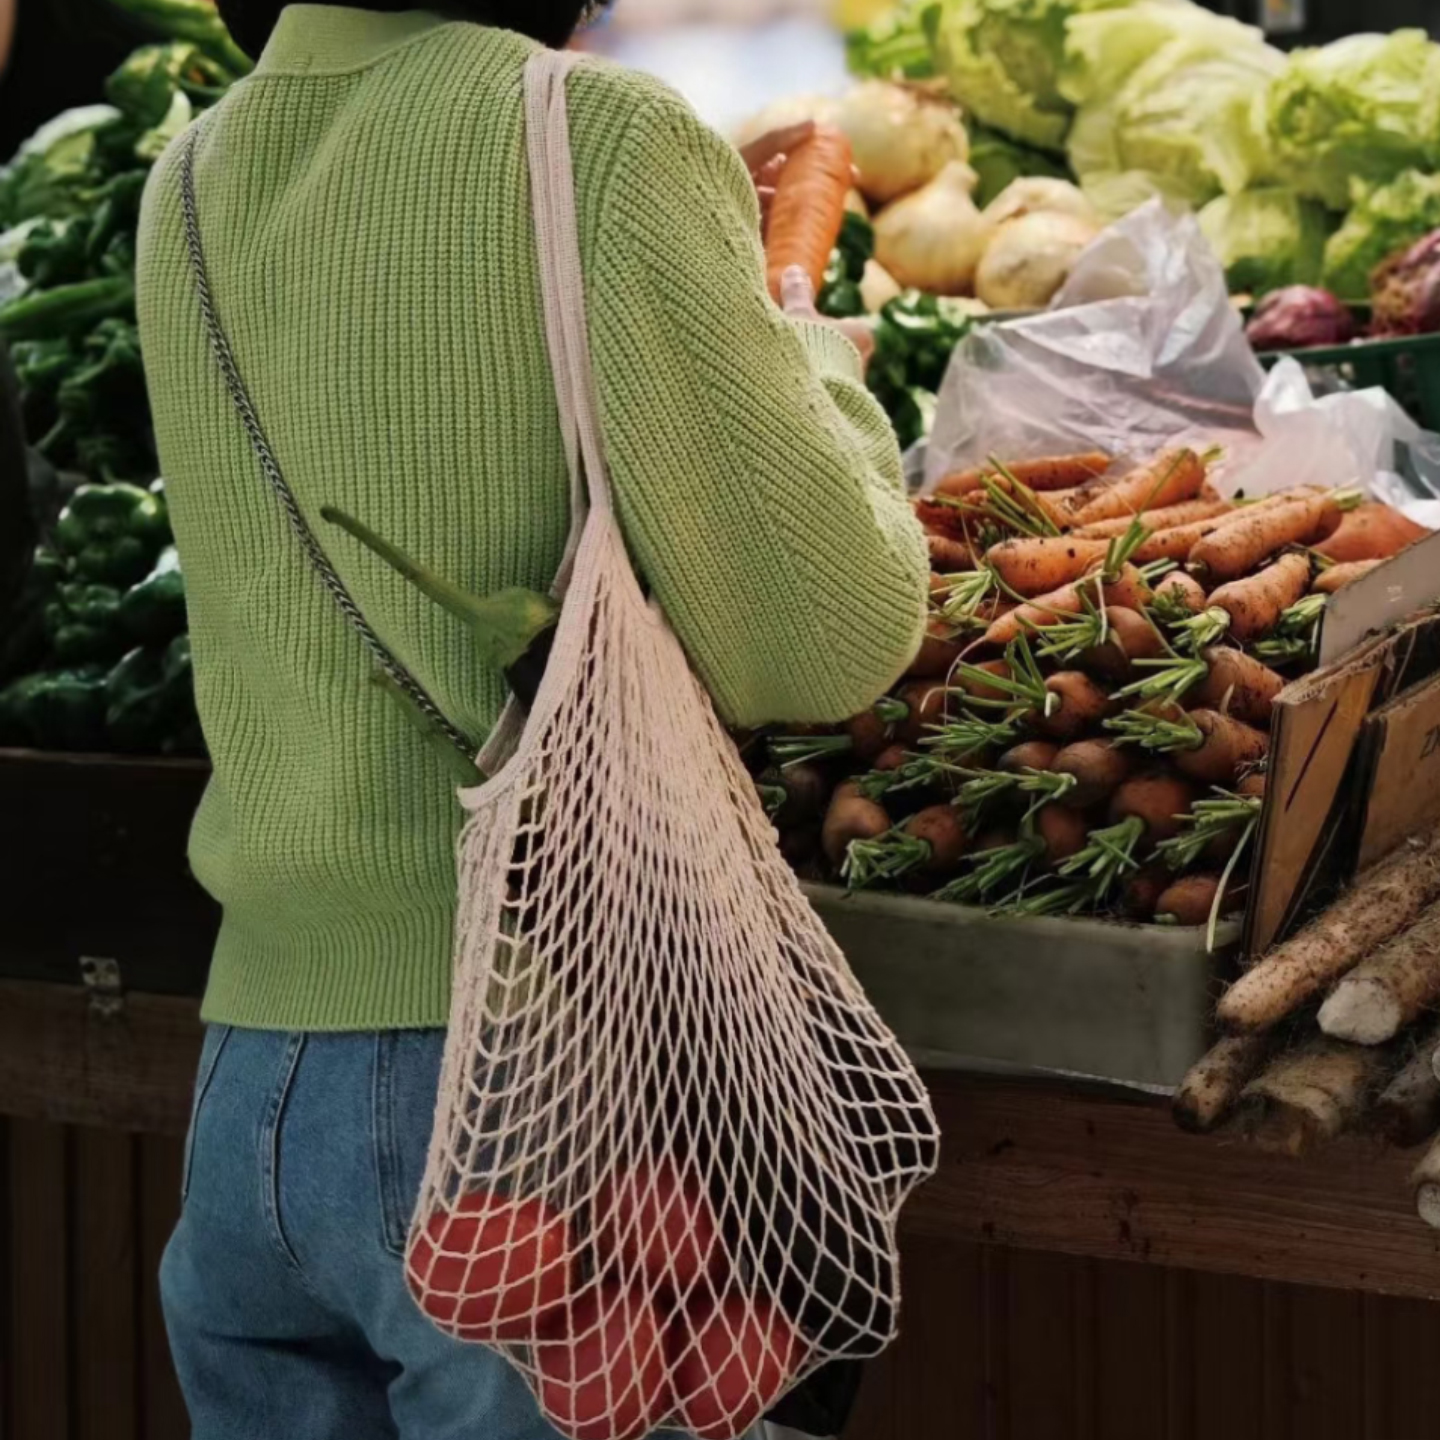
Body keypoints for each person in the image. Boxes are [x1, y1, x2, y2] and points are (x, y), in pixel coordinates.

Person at [136, 2, 926, 1436]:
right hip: (524, 1093)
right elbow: (827, 634)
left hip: (254, 1086)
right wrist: (812, 358)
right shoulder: (591, 133)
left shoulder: (188, 173)